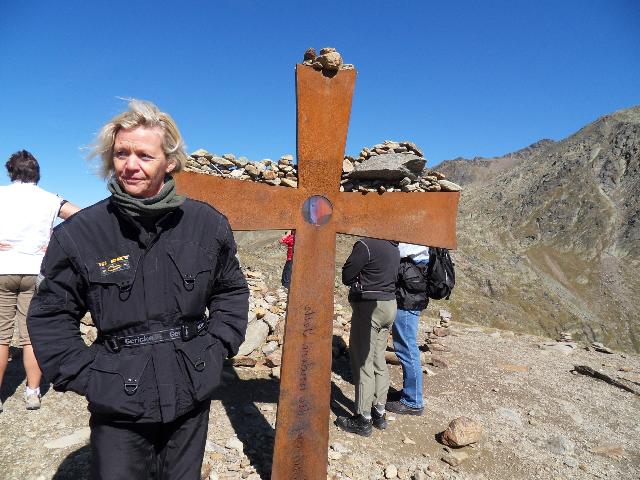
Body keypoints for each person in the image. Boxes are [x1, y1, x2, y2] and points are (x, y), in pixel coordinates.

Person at [27, 100, 249, 479]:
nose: (130, 165)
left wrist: (217, 348)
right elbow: (50, 314)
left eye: (144, 155)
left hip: (190, 389)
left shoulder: (206, 224)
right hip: (118, 400)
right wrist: (88, 376)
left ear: (170, 161)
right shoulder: (81, 233)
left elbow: (231, 291)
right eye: (121, 154)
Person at [0, 150, 80, 413]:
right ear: (36, 173)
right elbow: (80, 216)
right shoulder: (51, 199)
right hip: (36, 269)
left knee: (1, 337)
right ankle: (32, 392)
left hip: (2, 269)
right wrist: (54, 244)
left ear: (11, 171)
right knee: (30, 334)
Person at [336, 237, 400, 436]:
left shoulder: (366, 245)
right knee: (378, 359)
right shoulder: (393, 246)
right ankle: (379, 412)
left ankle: (362, 419)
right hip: (390, 304)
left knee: (363, 361)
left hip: (370, 307)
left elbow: (347, 275)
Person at [386, 243, 430, 416]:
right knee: (404, 344)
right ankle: (409, 392)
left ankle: (413, 400)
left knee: (406, 346)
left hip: (408, 297)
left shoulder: (412, 242)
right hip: (409, 293)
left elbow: (400, 251)